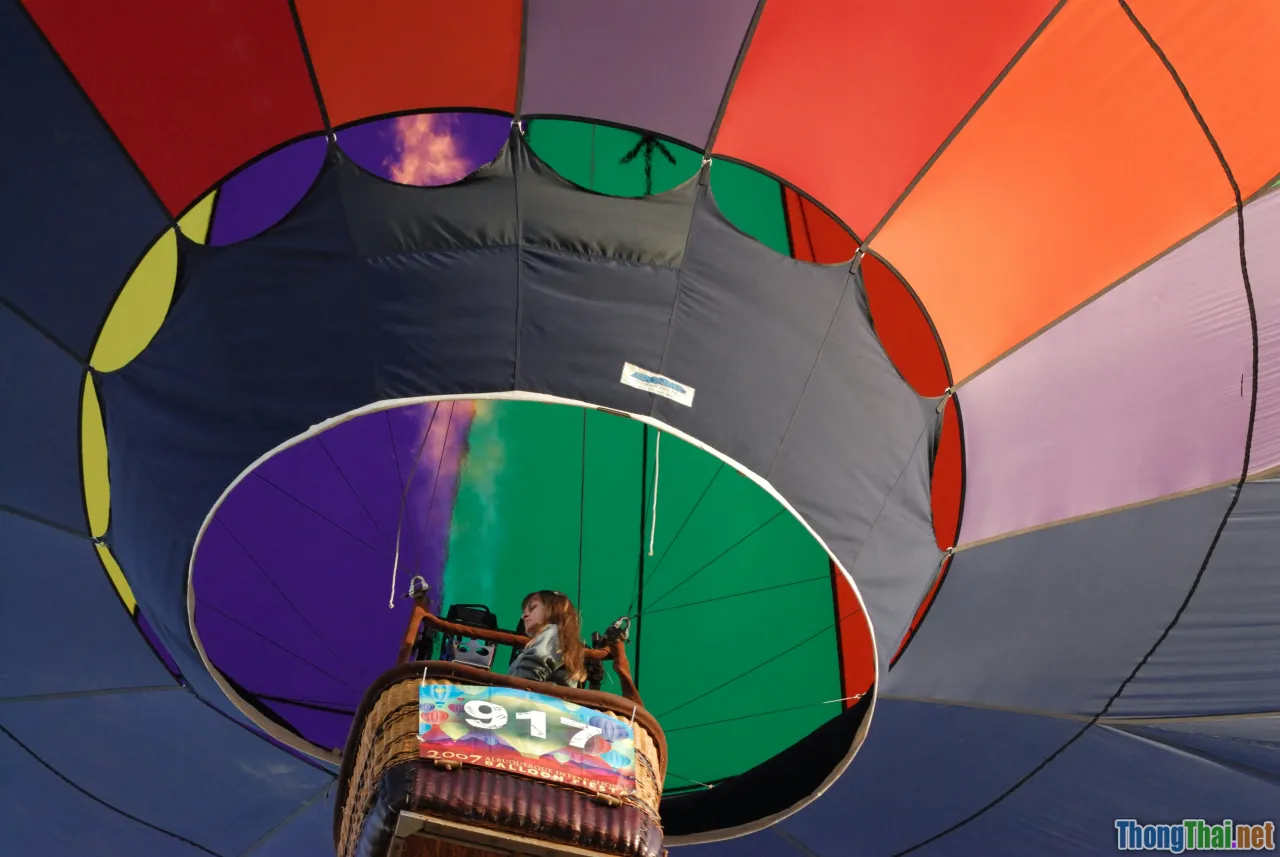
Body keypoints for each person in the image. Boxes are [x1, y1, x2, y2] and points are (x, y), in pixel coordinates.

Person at [508, 590, 587, 688]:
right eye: (524, 612)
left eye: (532, 608)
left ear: (553, 609)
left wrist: (515, 690)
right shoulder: (556, 637)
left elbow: (528, 674)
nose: (523, 615)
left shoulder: (552, 632)